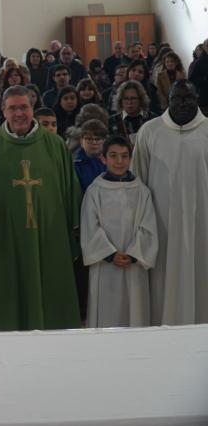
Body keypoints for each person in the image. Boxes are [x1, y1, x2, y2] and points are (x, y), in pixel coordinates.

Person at [0, 85, 81, 331]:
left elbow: (70, 191)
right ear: (3, 111)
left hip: (49, 237)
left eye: (24, 107)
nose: (19, 113)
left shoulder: (55, 145)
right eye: (13, 108)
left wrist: (72, 231)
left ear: (32, 108)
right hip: (5, 239)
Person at [131, 80, 208, 325]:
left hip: (202, 224)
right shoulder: (150, 131)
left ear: (197, 99)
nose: (182, 103)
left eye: (188, 98)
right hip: (161, 223)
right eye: (177, 98)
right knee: (163, 279)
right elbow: (138, 181)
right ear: (168, 99)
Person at [80, 136, 158, 329]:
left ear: (131, 159)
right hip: (105, 265)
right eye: (113, 156)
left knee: (135, 313)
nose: (119, 161)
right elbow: (90, 227)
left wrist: (134, 254)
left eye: (124, 156)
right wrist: (110, 254)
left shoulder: (142, 191)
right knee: (107, 315)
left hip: (134, 264)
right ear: (103, 158)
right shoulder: (95, 191)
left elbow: (148, 227)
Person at [108, 80, 152, 145]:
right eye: (126, 98)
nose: (129, 102)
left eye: (133, 98)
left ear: (140, 99)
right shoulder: (112, 121)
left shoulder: (152, 119)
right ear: (121, 101)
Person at [72, 120, 107, 192]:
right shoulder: (74, 166)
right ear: (81, 141)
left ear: (104, 141)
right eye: (89, 139)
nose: (94, 142)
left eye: (97, 139)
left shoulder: (112, 162)